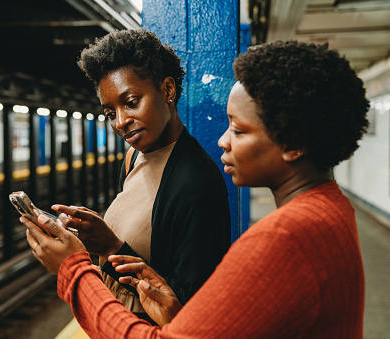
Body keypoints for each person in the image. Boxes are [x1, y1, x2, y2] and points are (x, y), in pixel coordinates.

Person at [22, 40, 368, 337]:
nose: (222, 141)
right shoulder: (330, 208)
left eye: (239, 130)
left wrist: (73, 268)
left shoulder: (285, 237)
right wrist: (176, 316)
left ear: (294, 143)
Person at [26, 29, 232, 321]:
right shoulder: (133, 158)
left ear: (168, 90)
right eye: (110, 113)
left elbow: (190, 306)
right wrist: (93, 238)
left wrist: (108, 248)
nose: (121, 122)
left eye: (131, 102)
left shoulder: (196, 182)